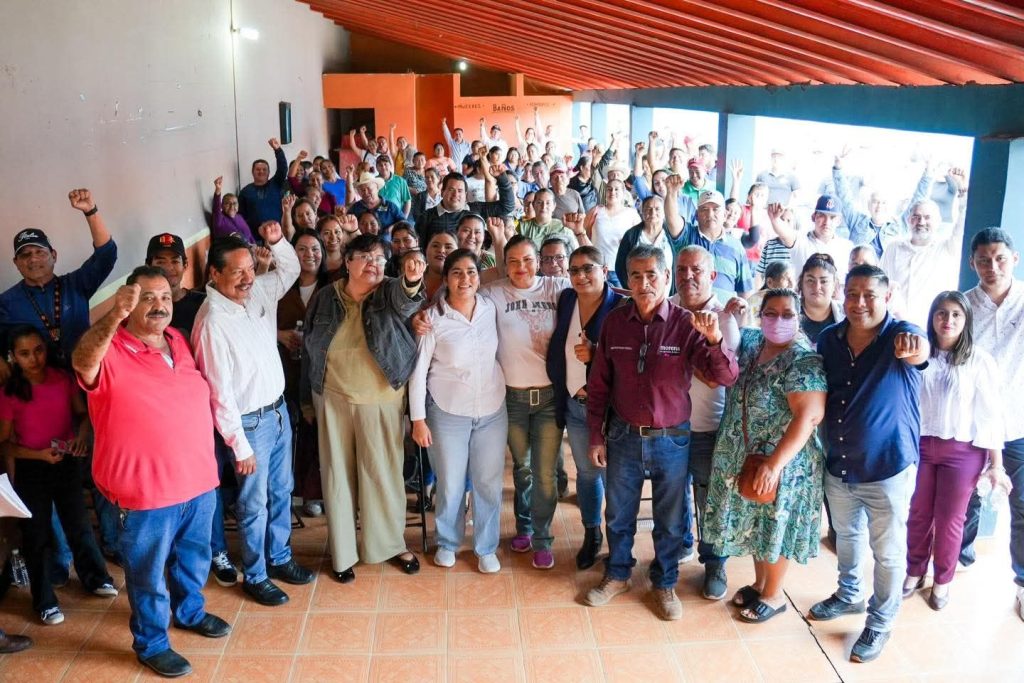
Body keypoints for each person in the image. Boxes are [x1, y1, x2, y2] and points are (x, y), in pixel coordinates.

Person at [72, 267, 230, 678]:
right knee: (147, 574)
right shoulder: (109, 349)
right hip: (144, 493)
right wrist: (113, 315)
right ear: (128, 303)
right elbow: (82, 361)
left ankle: (190, 612)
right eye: (146, 298)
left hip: (198, 482)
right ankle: (152, 642)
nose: (159, 305)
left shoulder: (178, 339)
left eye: (163, 296)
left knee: (193, 560)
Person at [583, 244, 739, 621]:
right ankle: (618, 573)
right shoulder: (615, 323)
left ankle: (665, 582)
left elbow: (725, 376)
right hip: (623, 435)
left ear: (666, 278)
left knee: (669, 519)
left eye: (652, 275)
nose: (644, 284)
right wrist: (596, 435)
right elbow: (599, 384)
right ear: (627, 280)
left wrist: (714, 340)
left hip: (672, 439)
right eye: (636, 276)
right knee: (618, 513)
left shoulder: (686, 323)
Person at [810, 264, 930, 663]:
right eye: (852, 294)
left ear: (887, 296)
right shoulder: (829, 339)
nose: (859, 303)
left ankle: (880, 621)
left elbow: (921, 351)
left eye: (870, 295)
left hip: (888, 469)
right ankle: (849, 595)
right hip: (840, 464)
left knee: (888, 553)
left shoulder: (901, 336)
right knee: (846, 537)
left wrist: (917, 349)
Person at [192, 224, 314, 607]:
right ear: (215, 273)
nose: (248, 278)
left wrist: (277, 241)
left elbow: (290, 268)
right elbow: (219, 393)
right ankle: (256, 574)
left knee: (281, 491)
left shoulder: (257, 290)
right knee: (253, 503)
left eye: (250, 268)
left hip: (277, 413)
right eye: (237, 271)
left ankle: (279, 557)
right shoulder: (212, 321)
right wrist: (239, 445)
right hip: (249, 425)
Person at [0, 188, 119, 568]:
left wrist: (91, 211)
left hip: (87, 389)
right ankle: (60, 558)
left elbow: (107, 254)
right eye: (25, 255)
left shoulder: (74, 285)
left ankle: (110, 543)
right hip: (38, 402)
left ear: (53, 255)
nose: (33, 259)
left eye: (39, 252)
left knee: (99, 464)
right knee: (46, 477)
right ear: (16, 263)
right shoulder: (7, 303)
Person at [302, 234, 426, 583]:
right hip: (332, 398)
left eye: (380, 258)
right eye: (365, 257)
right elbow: (309, 348)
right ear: (347, 261)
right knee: (337, 477)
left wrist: (412, 278)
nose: (374, 264)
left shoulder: (388, 291)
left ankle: (389, 545)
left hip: (381, 399)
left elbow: (407, 299)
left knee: (383, 476)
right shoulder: (325, 297)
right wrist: (305, 399)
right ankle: (342, 554)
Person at [704, 289, 827, 622]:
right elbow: (727, 348)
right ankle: (760, 584)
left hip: (783, 462)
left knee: (775, 524)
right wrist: (732, 316)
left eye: (787, 314)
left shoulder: (803, 359)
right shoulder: (753, 342)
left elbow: (809, 416)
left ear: (799, 317)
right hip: (749, 457)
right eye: (770, 313)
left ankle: (774, 594)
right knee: (757, 521)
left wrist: (774, 465)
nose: (778, 320)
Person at [0, 326, 117, 626]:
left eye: (38, 350)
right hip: (32, 468)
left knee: (78, 524)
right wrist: (38, 455)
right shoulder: (9, 393)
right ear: (13, 357)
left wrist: (81, 436)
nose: (34, 358)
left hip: (65, 462)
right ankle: (44, 600)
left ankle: (96, 578)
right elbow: (5, 445)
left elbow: (82, 415)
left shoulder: (62, 379)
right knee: (36, 534)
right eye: (25, 353)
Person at [145, 233, 240, 585]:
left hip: (212, 411)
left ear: (186, 265)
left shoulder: (204, 303)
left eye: (174, 261)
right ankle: (174, 557)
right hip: (165, 420)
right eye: (160, 261)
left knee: (210, 484)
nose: (168, 267)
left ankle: (217, 550)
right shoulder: (142, 311)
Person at [903, 291, 1007, 610]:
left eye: (956, 315)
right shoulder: (919, 354)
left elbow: (990, 415)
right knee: (918, 512)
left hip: (962, 452)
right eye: (942, 313)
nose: (948, 320)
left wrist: (996, 465)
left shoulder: (979, 360)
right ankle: (914, 571)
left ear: (966, 320)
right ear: (932, 317)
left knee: (950, 519)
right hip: (921, 446)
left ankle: (943, 580)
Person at [409, 249, 507, 573]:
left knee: (487, 482)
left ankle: (486, 547)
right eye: (457, 272)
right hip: (447, 412)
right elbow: (418, 371)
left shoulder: (490, 308)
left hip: (492, 410)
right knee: (450, 482)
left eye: (471, 272)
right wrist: (418, 420)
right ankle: (448, 542)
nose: (465, 279)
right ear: (446, 279)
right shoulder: (433, 319)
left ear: (479, 277)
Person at [481, 236, 570, 569]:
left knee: (545, 473)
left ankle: (543, 539)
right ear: (504, 264)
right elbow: (459, 296)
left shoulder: (557, 288)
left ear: (539, 261)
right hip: (512, 399)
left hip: (548, 397)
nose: (522, 267)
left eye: (528, 260)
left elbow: (598, 292)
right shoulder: (493, 292)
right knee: (523, 469)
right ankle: (525, 526)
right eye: (514, 261)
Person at [668, 246, 742, 598]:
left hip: (709, 428)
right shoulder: (665, 308)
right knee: (672, 494)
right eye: (681, 269)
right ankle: (681, 544)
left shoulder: (725, 318)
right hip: (668, 426)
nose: (688, 276)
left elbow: (717, 378)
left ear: (712, 275)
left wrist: (677, 355)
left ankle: (714, 563)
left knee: (710, 500)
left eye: (696, 270)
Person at [960, 228, 1024, 621]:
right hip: (971, 423)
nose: (992, 267)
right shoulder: (963, 307)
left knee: (1023, 504)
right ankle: (958, 558)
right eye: (984, 260)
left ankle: (1023, 583)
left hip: (1018, 421)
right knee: (965, 497)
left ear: (1014, 259)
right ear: (973, 263)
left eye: (1000, 258)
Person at [547, 246, 624, 569]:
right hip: (574, 405)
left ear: (604, 270)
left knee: (615, 477)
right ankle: (592, 534)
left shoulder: (620, 307)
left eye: (588, 268)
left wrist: (596, 356)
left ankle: (619, 541)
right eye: (574, 270)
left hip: (609, 410)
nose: (580, 276)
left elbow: (628, 357)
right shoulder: (567, 299)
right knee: (588, 474)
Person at [278, 229, 328, 517]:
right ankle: (293, 490)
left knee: (317, 431)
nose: (310, 255)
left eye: (315, 249)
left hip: (322, 373)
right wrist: (279, 334)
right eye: (302, 249)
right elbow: (257, 319)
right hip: (287, 371)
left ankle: (315, 493)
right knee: (293, 428)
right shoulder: (280, 286)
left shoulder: (333, 287)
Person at [880, 169, 968, 327]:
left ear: (938, 221)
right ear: (909, 220)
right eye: (916, 217)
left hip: (933, 329)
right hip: (894, 328)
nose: (921, 222)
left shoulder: (947, 249)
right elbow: (881, 286)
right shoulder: (893, 248)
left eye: (927, 217)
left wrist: (962, 190)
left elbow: (963, 222)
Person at [665, 181, 754, 301]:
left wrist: (743, 310)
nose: (710, 214)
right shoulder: (687, 235)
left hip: (724, 312)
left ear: (725, 214)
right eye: (704, 209)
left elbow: (745, 293)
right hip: (687, 312)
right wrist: (671, 192)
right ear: (697, 215)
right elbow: (672, 219)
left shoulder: (736, 246)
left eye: (716, 209)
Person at [415, 168, 515, 248]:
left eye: (460, 191)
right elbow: (422, 249)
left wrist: (502, 178)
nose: (455, 194)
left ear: (465, 195)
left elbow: (507, 206)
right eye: (451, 190)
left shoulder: (475, 210)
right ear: (442, 192)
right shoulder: (426, 217)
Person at [768, 195, 855, 284]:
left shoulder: (847, 247)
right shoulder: (800, 241)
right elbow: (785, 233)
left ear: (839, 221)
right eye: (822, 215)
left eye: (832, 217)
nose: (827, 222)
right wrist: (775, 219)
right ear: (813, 217)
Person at [583, 180, 642, 286]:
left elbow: (639, 240)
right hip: (596, 266)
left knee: (620, 296)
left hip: (620, 269)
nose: (612, 192)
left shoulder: (631, 214)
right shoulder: (596, 211)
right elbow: (582, 231)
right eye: (609, 189)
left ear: (623, 193)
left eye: (616, 189)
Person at [237, 138, 289, 233]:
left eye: (264, 169)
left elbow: (283, 168)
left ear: (269, 172)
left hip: (277, 233)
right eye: (258, 169)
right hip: (255, 236)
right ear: (252, 172)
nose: (261, 172)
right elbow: (241, 216)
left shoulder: (275, 184)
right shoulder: (245, 192)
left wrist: (278, 150)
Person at [798, 254, 845, 348]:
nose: (817, 287)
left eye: (824, 281)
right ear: (801, 283)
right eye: (810, 280)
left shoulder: (846, 314)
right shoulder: (787, 311)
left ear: (834, 285)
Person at [744, 262, 795, 328]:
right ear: (770, 282)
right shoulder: (756, 302)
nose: (792, 284)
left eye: (792, 279)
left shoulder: (791, 300)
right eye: (786, 279)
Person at [211, 176, 255, 242]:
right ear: (222, 206)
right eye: (227, 203)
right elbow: (216, 208)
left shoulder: (239, 217)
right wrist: (218, 190)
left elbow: (250, 236)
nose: (232, 206)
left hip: (250, 247)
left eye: (235, 203)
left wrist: (255, 246)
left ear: (238, 205)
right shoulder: (219, 220)